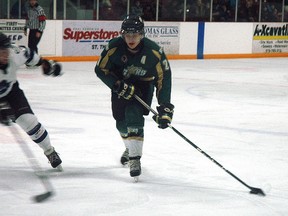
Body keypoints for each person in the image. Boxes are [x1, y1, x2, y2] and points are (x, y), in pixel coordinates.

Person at [95, 15, 174, 179]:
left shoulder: (154, 52)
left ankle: (135, 158)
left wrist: (165, 105)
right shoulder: (114, 47)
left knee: (134, 114)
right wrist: (116, 84)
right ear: (122, 34)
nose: (131, 39)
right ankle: (130, 148)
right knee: (121, 123)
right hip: (121, 85)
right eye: (128, 35)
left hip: (143, 86)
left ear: (142, 34)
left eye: (135, 35)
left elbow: (163, 78)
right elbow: (100, 69)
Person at [0, 32, 62, 169]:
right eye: (1, 52)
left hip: (11, 92)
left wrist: (49, 66)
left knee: (29, 121)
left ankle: (49, 151)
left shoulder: (15, 53)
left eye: (5, 51)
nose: (5, 55)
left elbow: (32, 57)